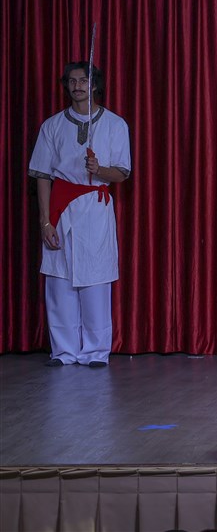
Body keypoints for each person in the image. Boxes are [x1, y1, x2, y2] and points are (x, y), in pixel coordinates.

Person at [28, 62, 131, 368]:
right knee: (59, 281)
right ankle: (64, 351)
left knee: (95, 280)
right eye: (72, 81)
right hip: (60, 208)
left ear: (94, 85)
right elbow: (42, 175)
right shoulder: (52, 126)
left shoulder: (115, 124)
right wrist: (45, 221)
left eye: (83, 80)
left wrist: (99, 169)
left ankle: (96, 352)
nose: (77, 86)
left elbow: (122, 173)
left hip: (94, 209)